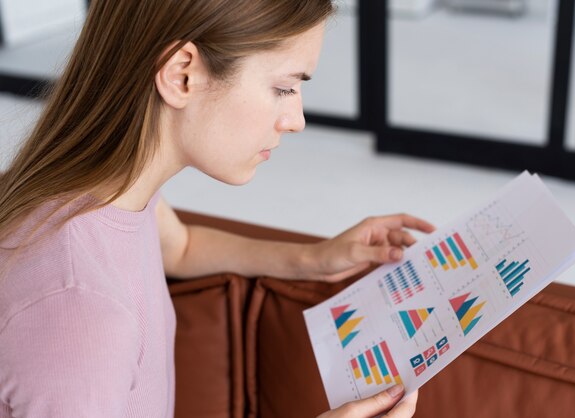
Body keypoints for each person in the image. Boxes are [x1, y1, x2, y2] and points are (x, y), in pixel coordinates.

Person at [0, 1, 432, 417]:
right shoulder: (80, 311)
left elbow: (180, 247)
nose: (296, 119)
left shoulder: (104, 191)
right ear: (181, 75)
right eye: (283, 87)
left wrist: (313, 259)